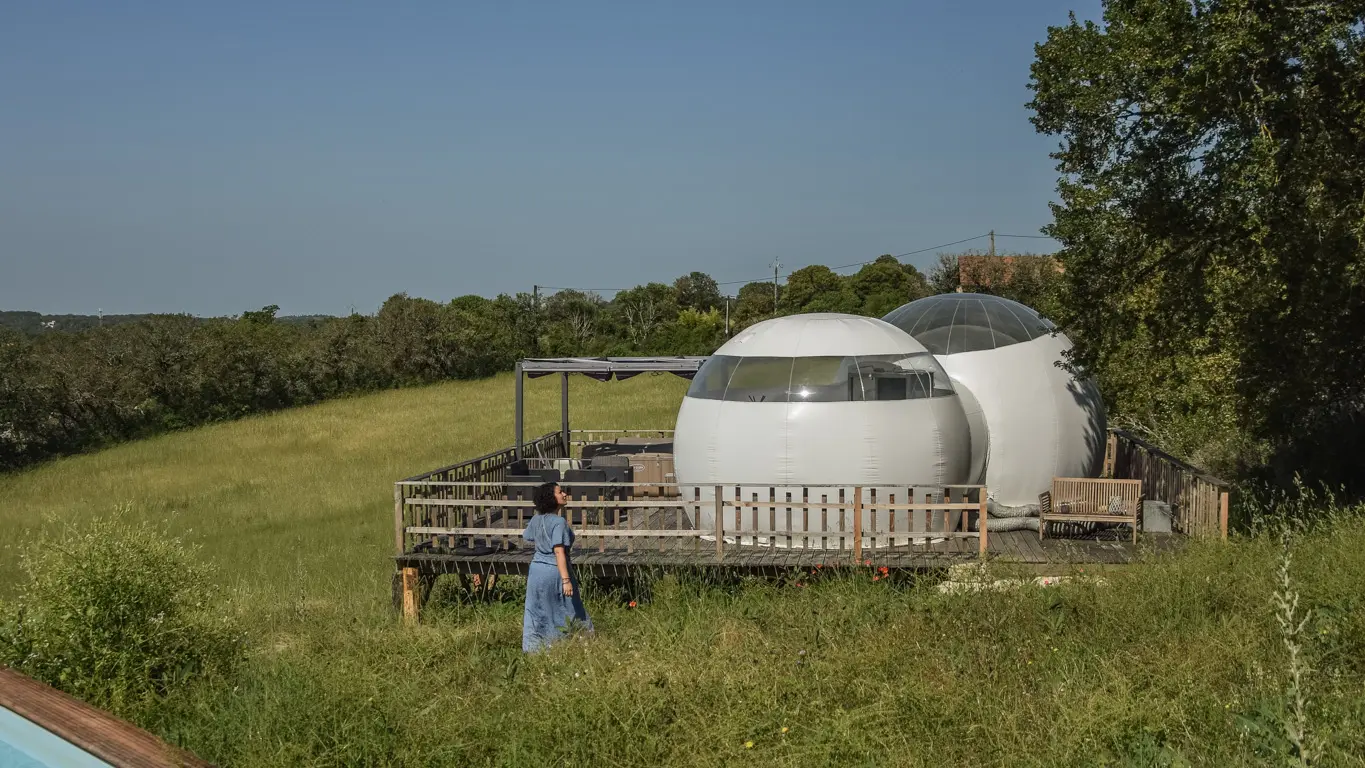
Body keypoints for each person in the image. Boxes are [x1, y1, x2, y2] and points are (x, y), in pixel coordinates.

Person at [522, 481, 593, 652]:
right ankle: (574, 642)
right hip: (555, 570)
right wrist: (566, 580)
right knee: (568, 607)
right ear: (551, 498)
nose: (564, 494)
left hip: (536, 570)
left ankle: (534, 647)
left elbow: (527, 536)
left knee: (536, 609)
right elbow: (559, 551)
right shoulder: (559, 522)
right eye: (560, 492)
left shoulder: (536, 519)